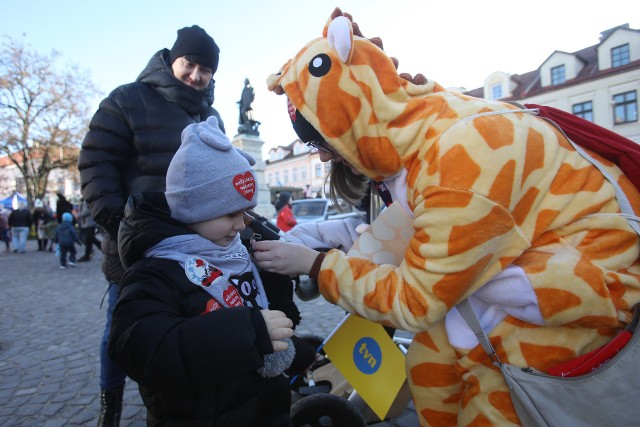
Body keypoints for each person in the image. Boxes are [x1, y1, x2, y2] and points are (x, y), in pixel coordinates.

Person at [255, 9, 640, 426]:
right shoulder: (422, 127)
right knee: (429, 364)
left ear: (348, 119)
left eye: (321, 141)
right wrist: (309, 238)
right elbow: (406, 232)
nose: (324, 155)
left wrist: (317, 266)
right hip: (520, 276)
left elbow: (415, 301)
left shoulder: (457, 163)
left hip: (575, 293)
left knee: (491, 402)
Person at [109, 117, 315, 426]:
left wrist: (287, 330)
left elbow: (262, 316)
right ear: (194, 207)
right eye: (230, 214)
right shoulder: (156, 270)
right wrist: (248, 333)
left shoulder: (236, 252)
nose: (241, 224)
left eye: (245, 212)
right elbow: (141, 348)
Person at [77, 24, 225, 426]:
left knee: (190, 325)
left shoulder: (211, 116)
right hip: (136, 249)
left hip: (196, 248)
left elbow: (221, 179)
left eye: (206, 70)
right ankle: (111, 406)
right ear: (172, 59)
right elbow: (95, 166)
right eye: (189, 63)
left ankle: (175, 405)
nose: (196, 75)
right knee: (121, 332)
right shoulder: (126, 99)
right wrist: (125, 228)